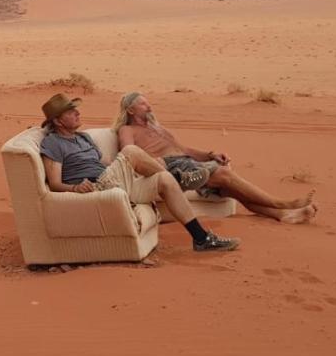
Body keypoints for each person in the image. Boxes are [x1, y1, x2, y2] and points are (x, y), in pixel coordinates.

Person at [38, 93, 241, 252]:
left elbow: (102, 163)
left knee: (163, 179)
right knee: (130, 151)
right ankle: (180, 177)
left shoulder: (83, 138)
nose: (77, 113)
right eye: (70, 111)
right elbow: (55, 183)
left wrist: (122, 166)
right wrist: (75, 187)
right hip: (96, 186)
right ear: (57, 121)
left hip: (112, 180)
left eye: (75, 109)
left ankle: (201, 239)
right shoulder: (53, 143)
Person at [114, 92, 317, 224]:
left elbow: (184, 149)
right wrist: (152, 161)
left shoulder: (158, 128)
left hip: (188, 162)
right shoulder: (127, 129)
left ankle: (281, 215)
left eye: (148, 102)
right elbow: (128, 153)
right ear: (131, 110)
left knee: (229, 187)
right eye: (142, 104)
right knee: (224, 174)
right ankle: (282, 203)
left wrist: (210, 155)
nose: (149, 106)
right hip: (169, 168)